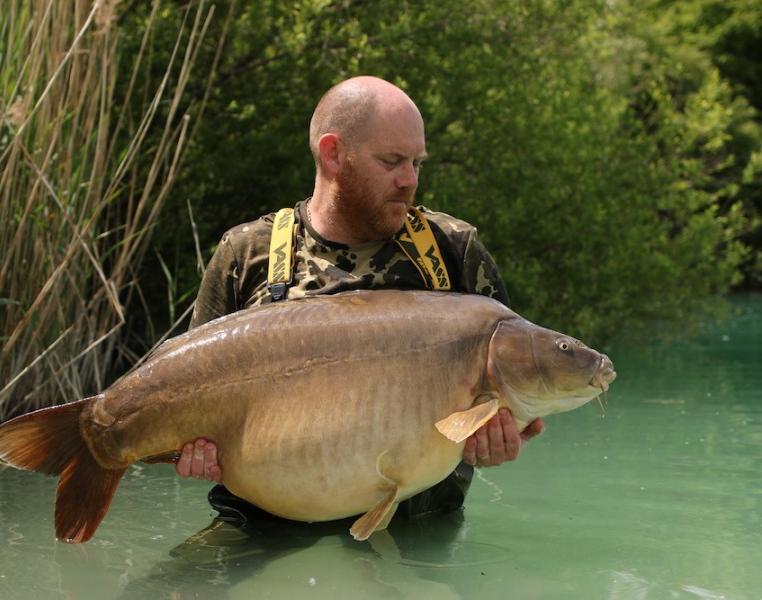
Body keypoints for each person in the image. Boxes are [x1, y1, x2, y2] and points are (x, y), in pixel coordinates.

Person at [175, 75, 545, 525]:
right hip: (262, 526)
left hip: (417, 531)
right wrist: (194, 450)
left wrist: (504, 442)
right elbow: (188, 397)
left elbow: (509, 398)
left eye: (416, 162)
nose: (409, 180)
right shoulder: (245, 253)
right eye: (391, 161)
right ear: (333, 153)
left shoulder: (455, 251)